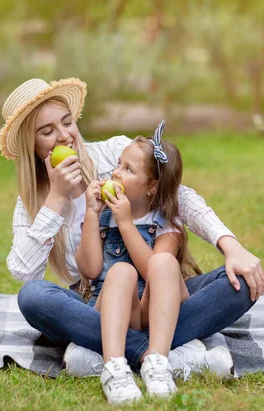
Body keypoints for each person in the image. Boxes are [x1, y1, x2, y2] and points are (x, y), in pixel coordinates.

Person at [0, 78, 264, 383]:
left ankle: (111, 352)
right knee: (33, 297)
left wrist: (229, 245)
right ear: (30, 145)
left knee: (241, 282)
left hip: (159, 293)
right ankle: (162, 356)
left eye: (67, 123)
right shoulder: (32, 201)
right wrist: (57, 198)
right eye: (47, 132)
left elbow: (177, 195)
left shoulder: (113, 154)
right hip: (96, 300)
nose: (64, 136)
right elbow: (24, 271)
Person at [77, 121, 209, 403]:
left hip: (151, 311)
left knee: (163, 263)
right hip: (112, 309)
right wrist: (91, 214)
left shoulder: (165, 224)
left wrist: (125, 223)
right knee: (121, 271)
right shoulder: (103, 216)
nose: (115, 173)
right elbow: (89, 270)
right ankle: (114, 368)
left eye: (128, 169)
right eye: (118, 164)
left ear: (151, 187)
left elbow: (154, 272)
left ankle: (156, 361)